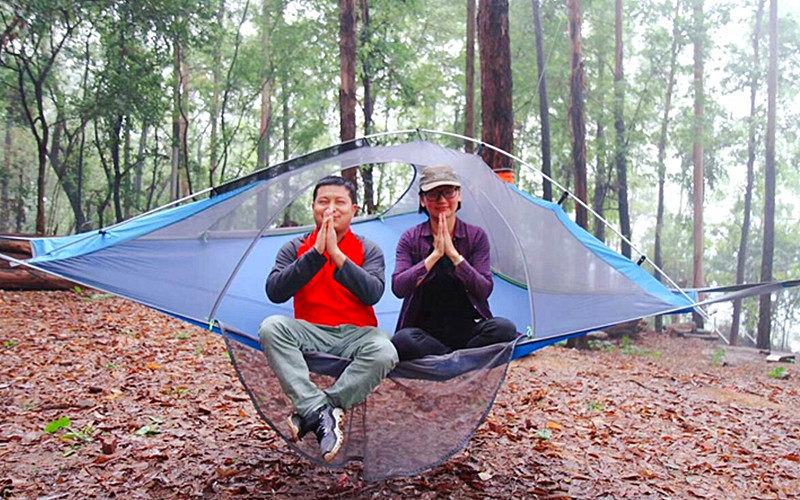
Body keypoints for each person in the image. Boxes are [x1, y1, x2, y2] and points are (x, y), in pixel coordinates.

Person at [258, 175, 398, 462]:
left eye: (339, 202)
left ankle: (320, 408)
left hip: (357, 334)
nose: (330, 209)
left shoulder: (369, 249)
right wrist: (316, 255)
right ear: (313, 207)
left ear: (353, 210)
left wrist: (336, 254)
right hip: (310, 331)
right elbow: (275, 292)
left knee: (385, 351)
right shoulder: (294, 247)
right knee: (271, 327)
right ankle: (318, 410)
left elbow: (373, 293)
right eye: (323, 202)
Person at [391, 165, 517, 361]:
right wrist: (434, 256)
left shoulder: (476, 236)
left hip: (468, 330)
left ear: (459, 195)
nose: (442, 200)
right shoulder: (410, 238)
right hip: (425, 334)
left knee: (504, 328)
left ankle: (451, 360)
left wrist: (454, 256)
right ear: (423, 200)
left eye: (448, 192)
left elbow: (484, 289)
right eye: (433, 194)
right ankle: (458, 359)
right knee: (402, 340)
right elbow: (399, 287)